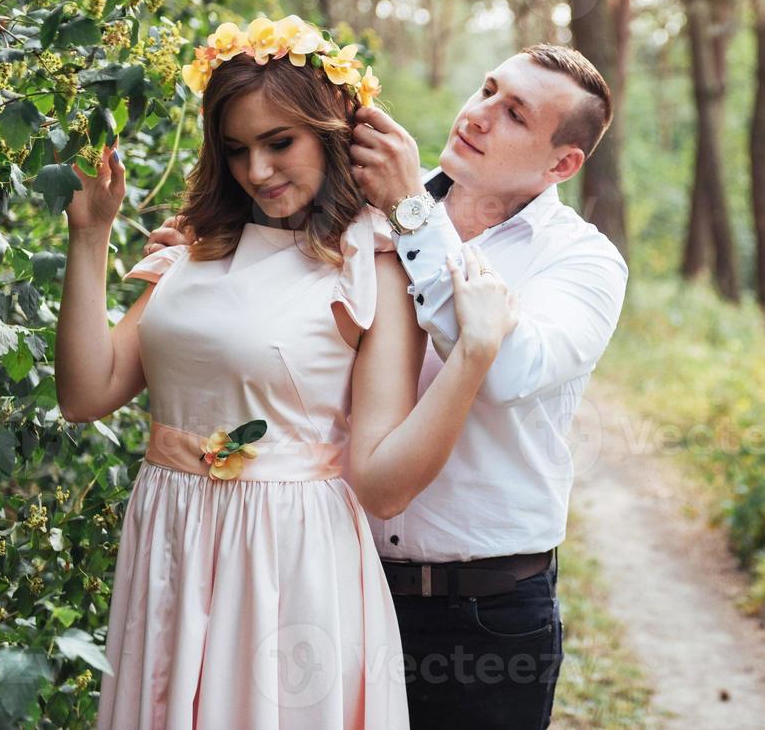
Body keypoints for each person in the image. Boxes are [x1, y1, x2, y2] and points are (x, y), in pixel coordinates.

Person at [146, 43, 629, 729]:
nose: (480, 114)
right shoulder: (358, 216)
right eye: (488, 88)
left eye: (514, 113)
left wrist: (411, 212)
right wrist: (191, 273)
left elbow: (508, 369)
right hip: (333, 582)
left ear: (563, 164)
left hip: (484, 613)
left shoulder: (581, 262)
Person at [55, 15, 517, 728]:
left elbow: (385, 487)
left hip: (289, 559)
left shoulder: (372, 263)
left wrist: (474, 356)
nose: (257, 171)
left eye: (280, 144)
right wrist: (89, 237)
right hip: (170, 544)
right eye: (236, 149)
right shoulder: (195, 249)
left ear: (334, 131)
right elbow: (87, 393)